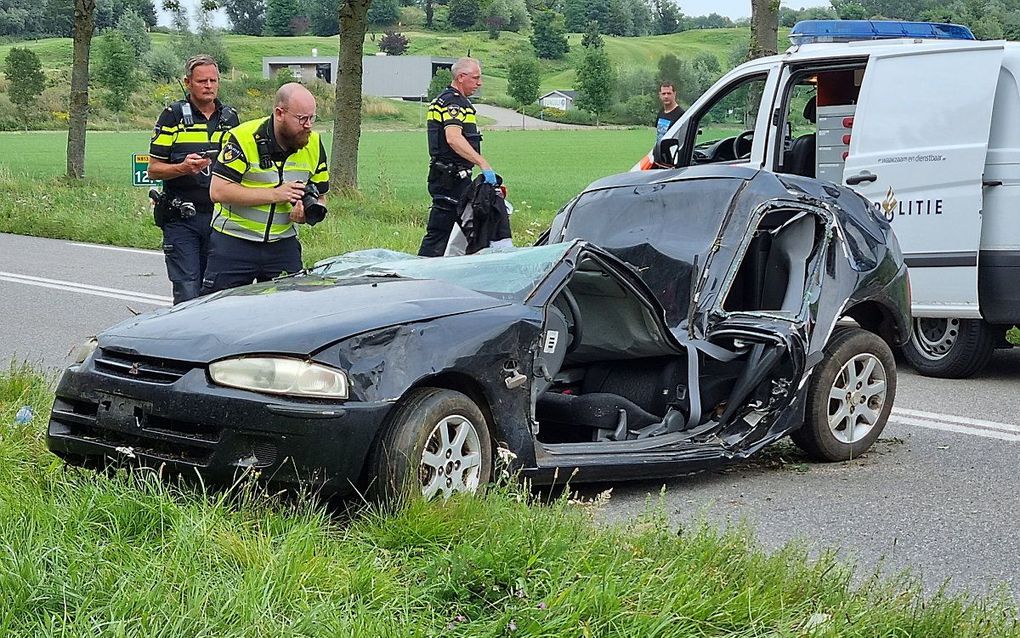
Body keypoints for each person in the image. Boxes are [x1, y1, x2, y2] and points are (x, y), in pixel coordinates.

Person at [202, 82, 329, 294]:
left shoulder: (313, 143)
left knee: (291, 314)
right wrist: (275, 194)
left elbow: (322, 196)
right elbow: (218, 191)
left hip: (282, 244)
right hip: (234, 242)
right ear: (280, 113)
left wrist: (307, 212)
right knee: (220, 314)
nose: (308, 125)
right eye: (302, 119)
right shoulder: (243, 138)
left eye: (312, 118)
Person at [147, 55, 240, 304]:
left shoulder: (230, 118)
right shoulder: (172, 116)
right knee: (188, 291)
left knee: (216, 291)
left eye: (213, 80)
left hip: (220, 217)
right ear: (188, 83)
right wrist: (183, 168)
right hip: (182, 217)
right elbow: (154, 169)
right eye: (202, 81)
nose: (209, 86)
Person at [418, 57, 496, 257]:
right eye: (476, 78)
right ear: (461, 77)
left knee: (463, 230)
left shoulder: (446, 99)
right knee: (440, 233)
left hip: (450, 176)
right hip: (450, 177)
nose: (479, 83)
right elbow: (453, 138)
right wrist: (483, 164)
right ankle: (420, 274)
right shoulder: (454, 103)